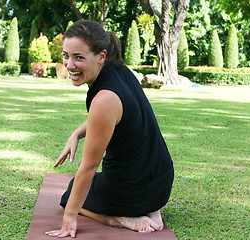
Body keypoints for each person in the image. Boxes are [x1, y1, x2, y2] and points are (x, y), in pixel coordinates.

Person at [45, 20, 174, 238]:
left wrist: (68, 219)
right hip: (161, 185)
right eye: (66, 55)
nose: (69, 65)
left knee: (69, 193)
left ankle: (117, 218)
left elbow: (89, 167)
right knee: (92, 183)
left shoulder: (104, 98)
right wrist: (77, 133)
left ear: (101, 56)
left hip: (129, 194)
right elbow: (119, 117)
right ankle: (149, 211)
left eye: (79, 57)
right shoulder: (121, 71)